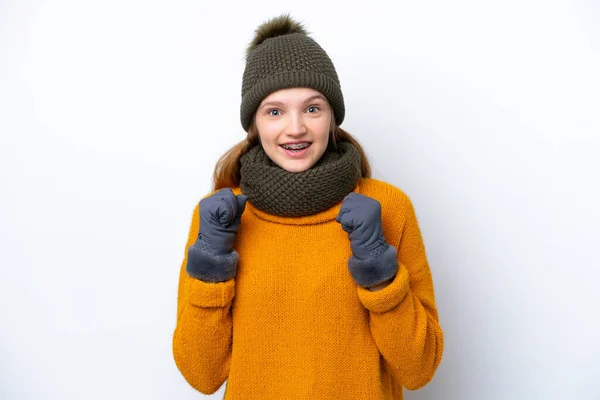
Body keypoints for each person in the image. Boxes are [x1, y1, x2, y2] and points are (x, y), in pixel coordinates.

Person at [172, 14, 444, 400]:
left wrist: (379, 269)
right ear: (254, 124)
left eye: (313, 108)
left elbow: (419, 369)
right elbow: (202, 375)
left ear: (332, 116)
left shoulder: (387, 207)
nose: (296, 128)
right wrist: (210, 271)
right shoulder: (219, 216)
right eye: (275, 111)